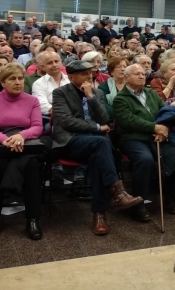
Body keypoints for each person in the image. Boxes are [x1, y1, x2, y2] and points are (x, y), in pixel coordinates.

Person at [51, 60, 143, 235]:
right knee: (102, 143)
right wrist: (96, 128)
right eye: (83, 73)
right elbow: (67, 121)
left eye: (90, 73)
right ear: (70, 77)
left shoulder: (97, 92)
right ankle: (118, 192)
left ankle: (99, 214)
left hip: (94, 145)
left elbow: (104, 118)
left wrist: (91, 97)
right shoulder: (60, 93)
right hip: (70, 142)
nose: (89, 76)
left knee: (97, 157)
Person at [113, 64, 175, 220]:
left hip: (157, 135)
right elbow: (129, 121)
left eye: (143, 73)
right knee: (145, 159)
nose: (141, 76)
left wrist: (164, 129)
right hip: (133, 138)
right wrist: (155, 127)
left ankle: (170, 196)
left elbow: (165, 111)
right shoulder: (120, 98)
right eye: (137, 74)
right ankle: (138, 203)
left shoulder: (151, 93)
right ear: (127, 78)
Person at [0, 63, 45, 239]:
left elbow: (37, 127)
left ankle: (32, 219)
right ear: (2, 82)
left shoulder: (32, 101)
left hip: (27, 143)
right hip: (1, 143)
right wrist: (4, 140)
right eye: (12, 79)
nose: (18, 82)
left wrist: (21, 136)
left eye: (20, 78)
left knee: (31, 165)